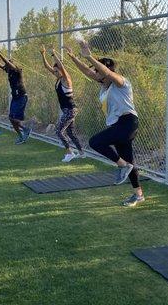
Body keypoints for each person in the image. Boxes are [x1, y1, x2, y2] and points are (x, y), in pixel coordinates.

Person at [65, 40, 144, 206]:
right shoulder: (104, 87)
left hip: (128, 123)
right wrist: (73, 58)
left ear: (105, 71)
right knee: (129, 162)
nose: (95, 73)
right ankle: (138, 195)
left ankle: (122, 166)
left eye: (98, 70)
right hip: (118, 126)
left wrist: (90, 57)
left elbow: (107, 72)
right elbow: (89, 72)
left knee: (95, 141)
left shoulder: (122, 82)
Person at [40, 45, 85, 162]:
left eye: (56, 71)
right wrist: (43, 54)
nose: (54, 72)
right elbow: (47, 66)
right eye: (54, 71)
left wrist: (53, 54)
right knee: (70, 132)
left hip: (70, 110)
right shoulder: (58, 78)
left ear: (61, 70)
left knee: (58, 131)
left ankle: (70, 153)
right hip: (68, 110)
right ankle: (81, 153)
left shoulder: (66, 79)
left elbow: (61, 66)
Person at [0, 44, 31, 144]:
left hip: (21, 97)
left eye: (8, 65)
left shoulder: (17, 71)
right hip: (15, 98)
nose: (6, 66)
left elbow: (5, 61)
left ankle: (25, 129)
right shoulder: (9, 71)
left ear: (11, 65)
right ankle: (21, 135)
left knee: (13, 118)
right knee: (11, 118)